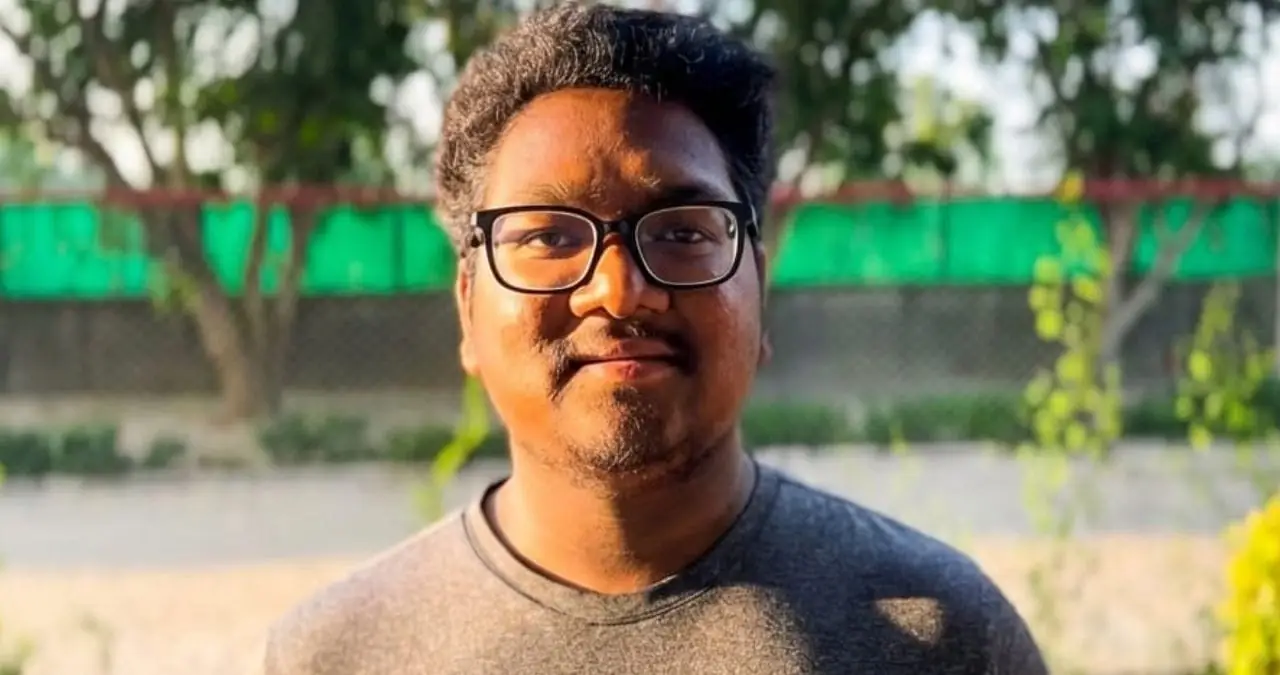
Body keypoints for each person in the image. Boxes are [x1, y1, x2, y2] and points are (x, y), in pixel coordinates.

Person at [263, 3, 1047, 674]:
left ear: (759, 291)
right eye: (549, 236)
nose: (618, 289)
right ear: (468, 306)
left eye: (681, 231)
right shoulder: (334, 654)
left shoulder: (941, 636)